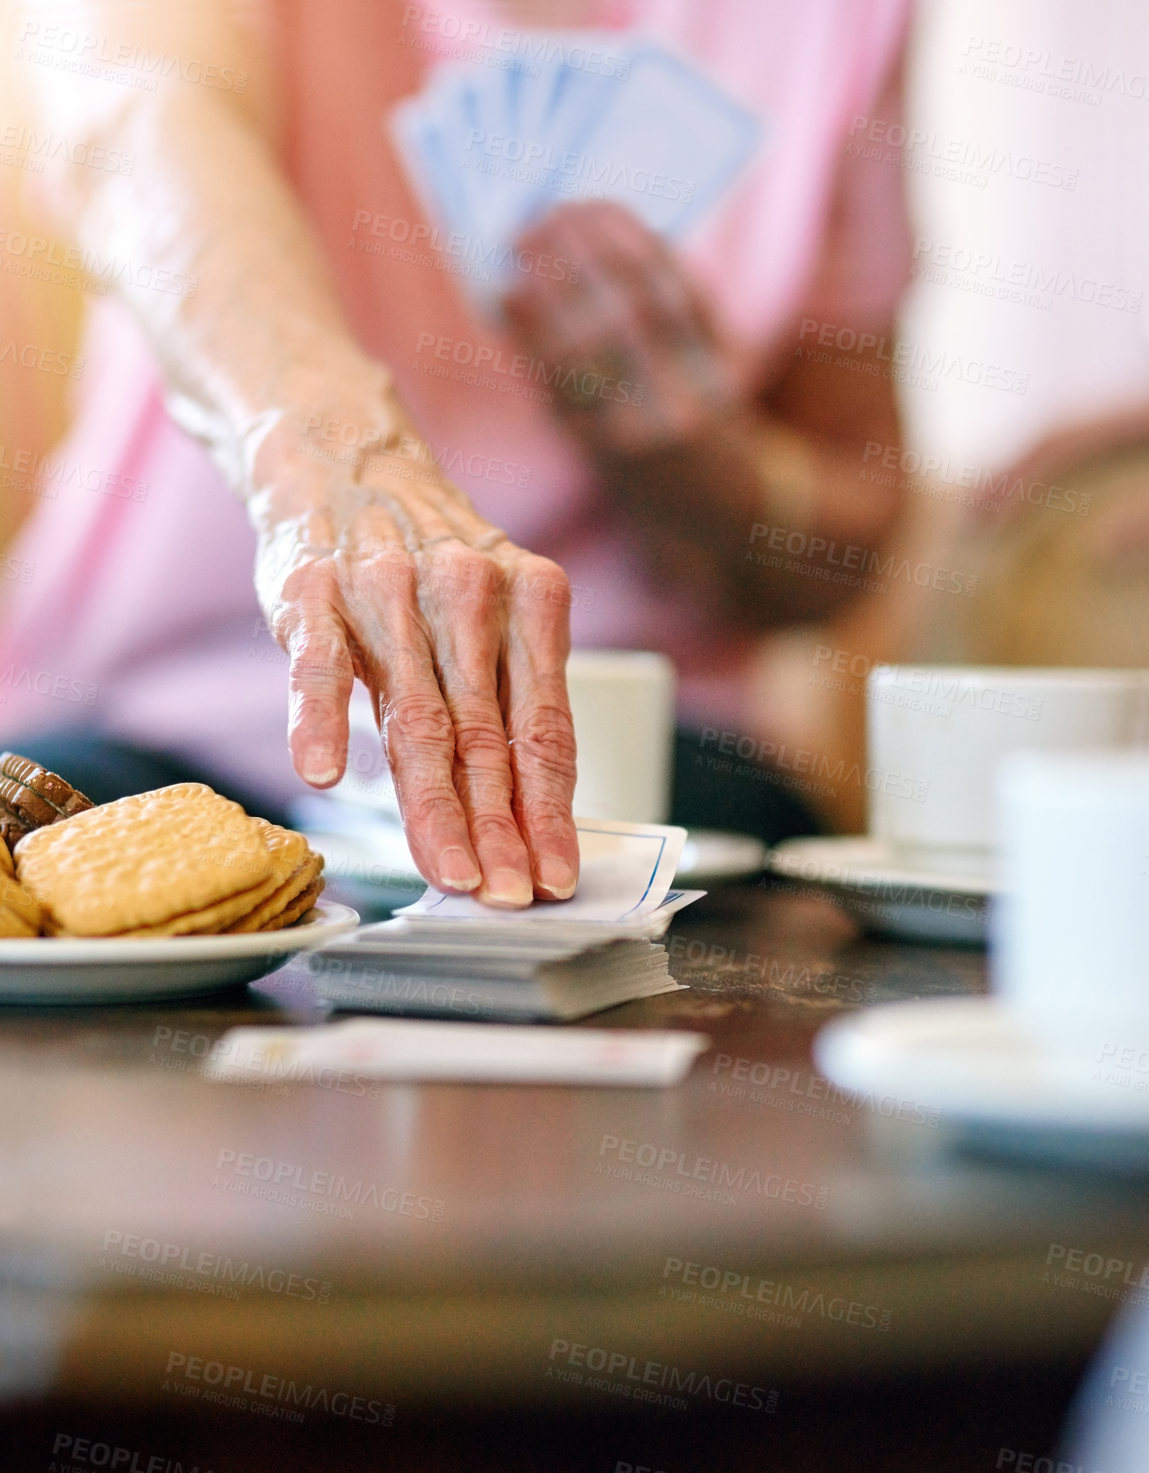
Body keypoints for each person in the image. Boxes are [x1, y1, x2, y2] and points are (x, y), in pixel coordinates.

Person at [2, 0, 912, 892]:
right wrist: (330, 457)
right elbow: (130, 117)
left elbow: (844, 546)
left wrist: (698, 467)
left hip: (627, 745)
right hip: (150, 713)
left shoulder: (838, 19)